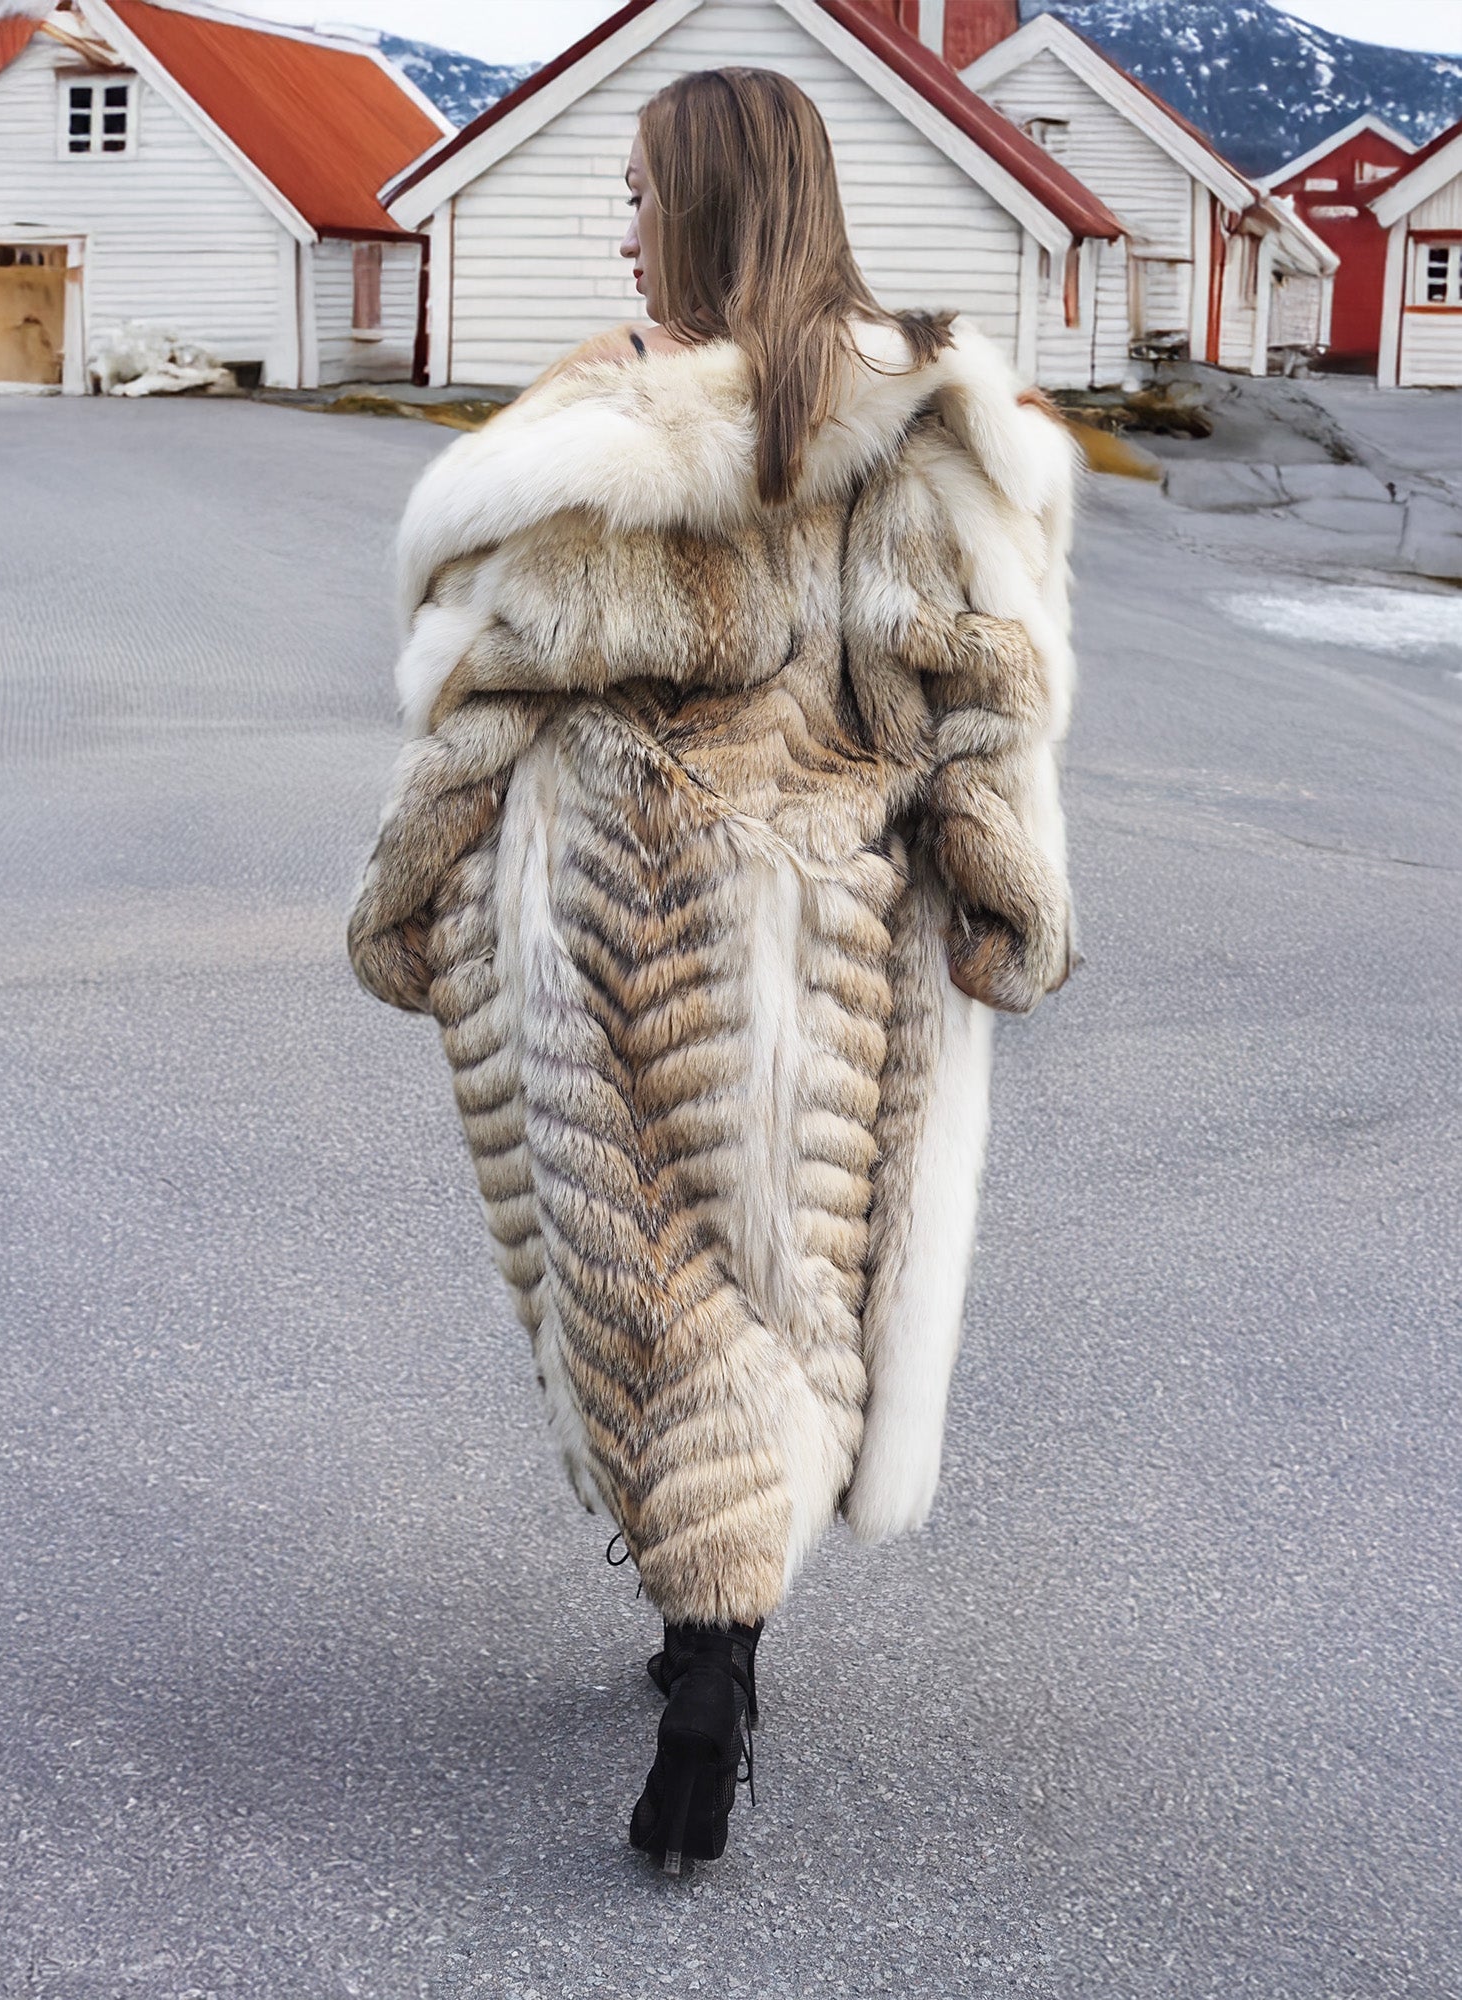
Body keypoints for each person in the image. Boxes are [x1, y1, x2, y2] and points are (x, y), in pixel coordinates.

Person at [348, 66, 1076, 1874]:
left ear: (705, 201)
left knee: (645, 1284)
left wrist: (404, 889)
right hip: (820, 929)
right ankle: (713, 1631)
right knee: (787, 1288)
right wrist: (1005, 894)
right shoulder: (913, 418)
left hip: (602, 915)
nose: (619, 224)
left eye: (637, 190)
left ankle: (706, 1642)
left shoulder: (621, 429)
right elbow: (973, 690)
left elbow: (488, 692)